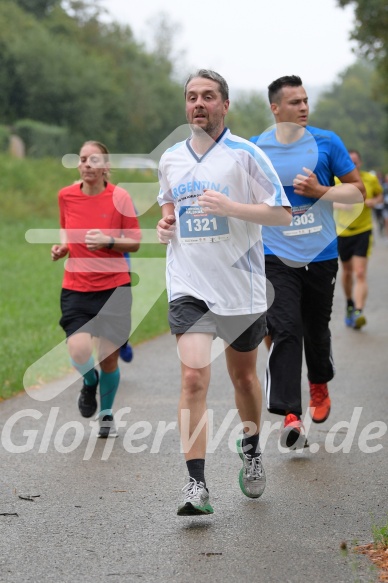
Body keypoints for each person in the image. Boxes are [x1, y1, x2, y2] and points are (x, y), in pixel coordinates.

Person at [157, 69, 291, 515]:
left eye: (208, 96)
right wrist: (165, 224)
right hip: (189, 284)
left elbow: (282, 215)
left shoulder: (246, 155)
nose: (198, 103)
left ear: (224, 104)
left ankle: (251, 448)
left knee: (244, 378)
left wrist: (233, 207)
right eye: (192, 96)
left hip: (241, 286)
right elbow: (170, 210)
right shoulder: (171, 158)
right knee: (193, 377)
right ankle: (196, 486)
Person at [250, 75, 365, 450]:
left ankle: (319, 382)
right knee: (284, 328)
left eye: (305, 100)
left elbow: (358, 190)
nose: (303, 107)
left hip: (320, 255)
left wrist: (321, 191)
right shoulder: (256, 149)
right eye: (295, 102)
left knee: (315, 329)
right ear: (275, 108)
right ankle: (290, 414)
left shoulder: (327, 142)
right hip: (275, 255)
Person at [51, 141, 141, 437]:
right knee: (78, 350)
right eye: (82, 159)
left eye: (94, 159)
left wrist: (108, 241)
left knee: (109, 357)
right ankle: (90, 382)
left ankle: (106, 415)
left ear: (106, 167)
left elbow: (135, 241)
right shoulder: (65, 195)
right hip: (76, 286)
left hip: (114, 287)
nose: (87, 164)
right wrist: (63, 246)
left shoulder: (121, 197)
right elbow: (66, 228)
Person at [335, 150, 383, 329]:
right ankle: (349, 303)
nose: (353, 166)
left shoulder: (369, 180)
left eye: (356, 162)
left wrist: (373, 201)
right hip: (343, 232)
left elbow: (378, 195)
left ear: (360, 163)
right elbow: (326, 199)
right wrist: (342, 204)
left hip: (363, 231)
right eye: (350, 162)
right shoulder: (337, 181)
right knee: (346, 273)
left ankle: (358, 312)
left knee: (360, 272)